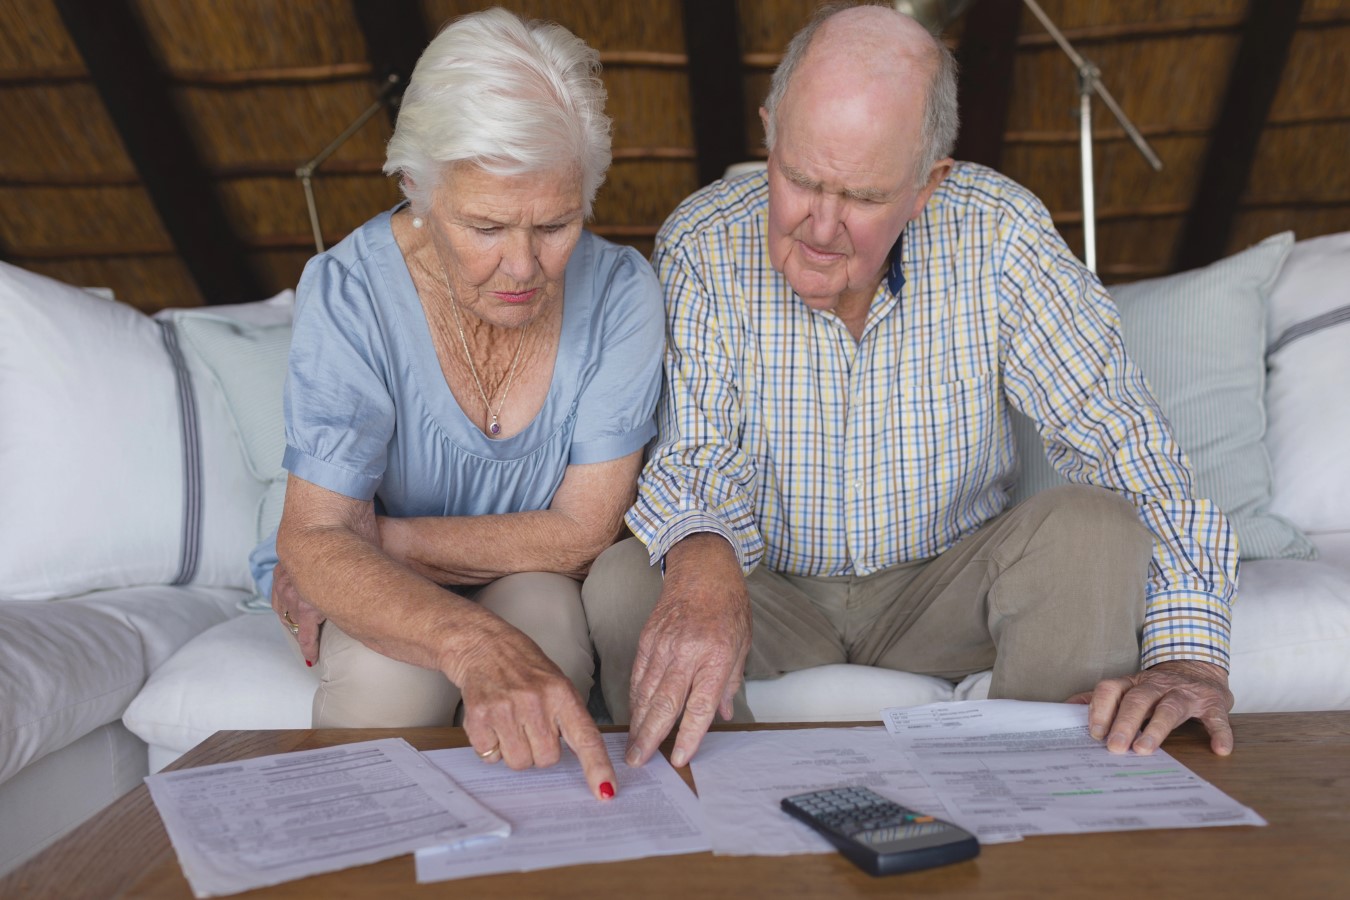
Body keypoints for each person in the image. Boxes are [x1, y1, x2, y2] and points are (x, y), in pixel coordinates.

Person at [582, 1, 1238, 772]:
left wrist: (1192, 657)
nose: (820, 228)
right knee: (628, 583)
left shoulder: (999, 234)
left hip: (943, 588)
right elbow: (697, 449)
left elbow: (1127, 443)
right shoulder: (702, 240)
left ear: (928, 185)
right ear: (769, 132)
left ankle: (1039, 814)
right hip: (770, 590)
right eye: (798, 179)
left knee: (1094, 530)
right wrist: (700, 561)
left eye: (861, 198)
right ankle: (721, 838)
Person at [248, 8, 664, 801]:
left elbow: (581, 533)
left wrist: (374, 540)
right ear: (418, 187)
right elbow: (318, 537)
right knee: (386, 688)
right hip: (407, 573)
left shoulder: (621, 292)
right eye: (483, 225)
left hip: (529, 571)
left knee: (548, 635)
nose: (522, 266)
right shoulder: (348, 290)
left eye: (555, 223)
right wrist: (464, 640)